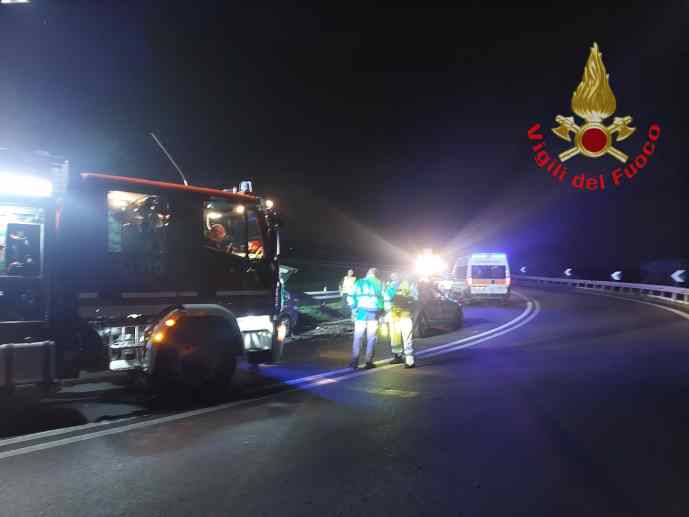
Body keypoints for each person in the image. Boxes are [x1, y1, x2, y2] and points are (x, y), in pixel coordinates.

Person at [350, 267, 384, 370]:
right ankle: (368, 362)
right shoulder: (380, 283)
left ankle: (354, 361)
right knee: (371, 338)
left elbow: (351, 296)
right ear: (376, 274)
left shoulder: (359, 282)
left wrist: (353, 310)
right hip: (373, 313)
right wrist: (381, 312)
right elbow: (383, 298)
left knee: (358, 337)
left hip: (361, 313)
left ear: (367, 273)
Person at [385, 275, 419, 368]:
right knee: (397, 337)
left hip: (401, 315)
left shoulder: (395, 286)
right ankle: (400, 357)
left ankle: (408, 360)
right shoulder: (405, 285)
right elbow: (415, 299)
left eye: (394, 275)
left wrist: (387, 312)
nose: (393, 276)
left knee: (404, 337)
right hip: (399, 315)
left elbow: (387, 299)